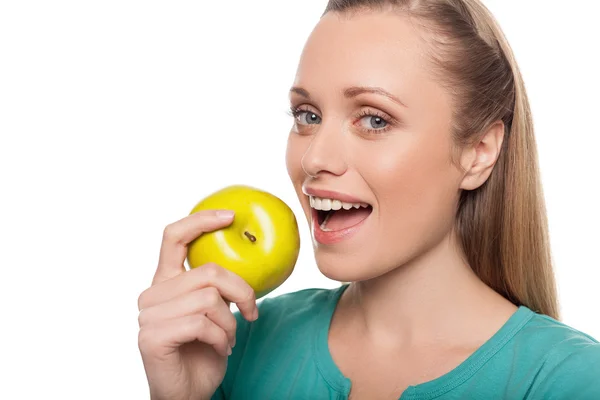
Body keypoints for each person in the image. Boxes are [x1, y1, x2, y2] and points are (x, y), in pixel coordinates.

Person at [137, 0, 600, 399]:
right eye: (307, 115)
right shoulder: (236, 344)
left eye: (374, 120)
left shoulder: (570, 381)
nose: (315, 157)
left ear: (478, 152)